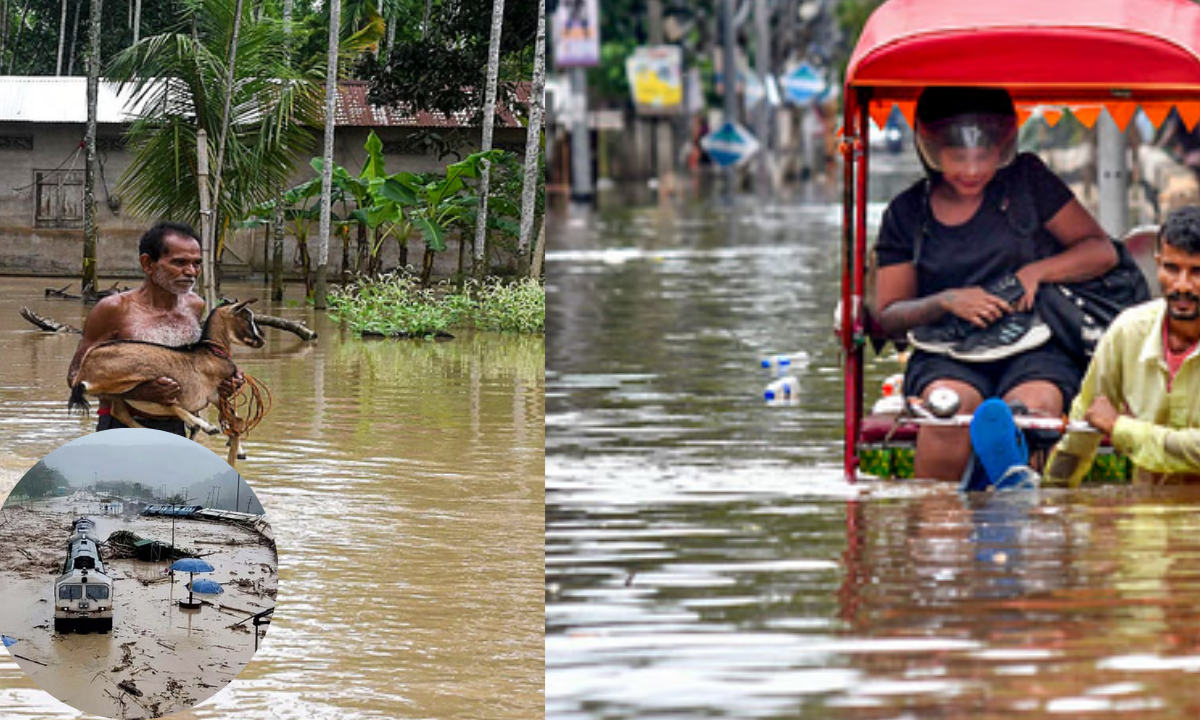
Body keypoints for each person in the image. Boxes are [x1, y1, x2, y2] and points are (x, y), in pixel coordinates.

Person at [873, 86, 1117, 482]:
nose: (972, 171)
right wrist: (947, 301)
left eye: (984, 156)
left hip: (1037, 342)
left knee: (1034, 410)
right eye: (957, 158)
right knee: (948, 411)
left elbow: (1100, 251)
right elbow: (887, 315)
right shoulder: (906, 213)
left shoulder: (1028, 181)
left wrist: (1037, 272)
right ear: (929, 148)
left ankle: (1020, 500)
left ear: (1004, 145)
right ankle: (940, 535)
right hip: (945, 352)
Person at [1046, 206, 1200, 485]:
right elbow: (1082, 429)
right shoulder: (1129, 331)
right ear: (1157, 264)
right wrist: (1052, 499)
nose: (1182, 285)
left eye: (1197, 272)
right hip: (1148, 517)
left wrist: (1119, 428)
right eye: (1171, 268)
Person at [67, 221, 241, 436]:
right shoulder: (114, 309)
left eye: (197, 264)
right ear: (148, 264)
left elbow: (196, 365)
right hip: (121, 425)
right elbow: (76, 377)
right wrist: (139, 392)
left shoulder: (195, 306)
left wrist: (223, 382)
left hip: (177, 423)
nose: (191, 272)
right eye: (179, 263)